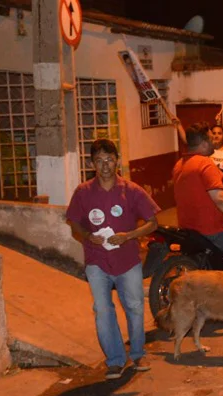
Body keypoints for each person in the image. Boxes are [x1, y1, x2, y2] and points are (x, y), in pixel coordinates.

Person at [65, 139, 160, 379]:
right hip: (97, 260)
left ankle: (138, 354)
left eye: (109, 159)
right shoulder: (83, 193)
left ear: (117, 160)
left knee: (135, 307)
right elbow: (74, 224)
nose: (105, 165)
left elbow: (152, 222)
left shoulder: (132, 190)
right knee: (103, 309)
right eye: (99, 160)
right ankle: (116, 360)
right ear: (91, 163)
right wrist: (88, 236)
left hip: (127, 259)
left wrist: (129, 235)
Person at [172, 123, 223, 266]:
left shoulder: (179, 165)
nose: (215, 141)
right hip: (215, 228)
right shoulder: (205, 164)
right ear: (204, 143)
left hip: (189, 227)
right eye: (212, 139)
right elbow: (220, 198)